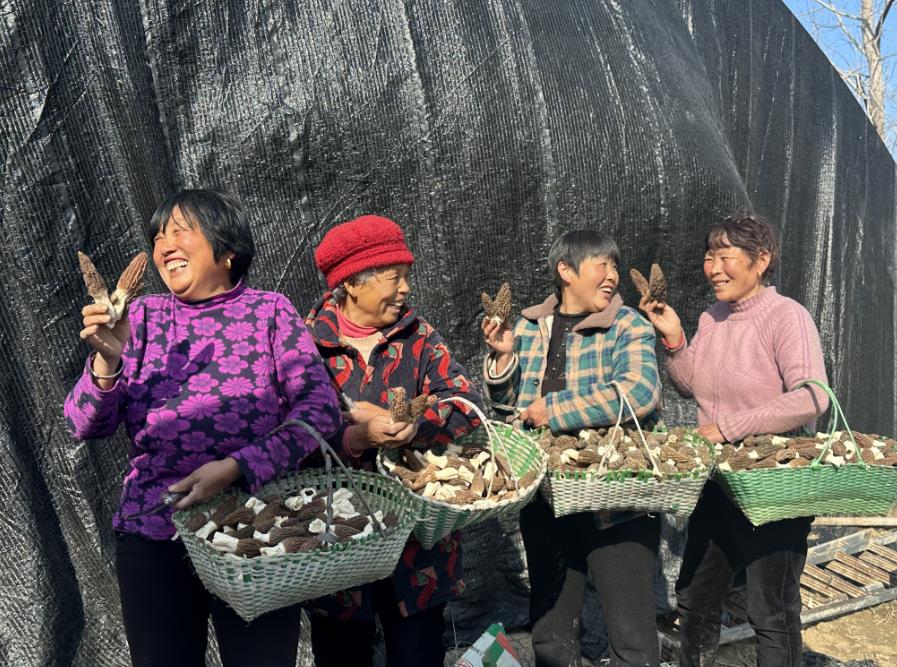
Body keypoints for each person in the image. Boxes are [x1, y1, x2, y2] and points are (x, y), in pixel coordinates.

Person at [63, 189, 342, 666]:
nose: (164, 245)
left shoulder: (270, 312)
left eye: (180, 231)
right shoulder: (139, 318)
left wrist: (238, 466)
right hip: (156, 528)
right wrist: (107, 361)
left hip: (258, 530)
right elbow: (83, 424)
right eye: (158, 237)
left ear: (227, 248)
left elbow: (320, 410)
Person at [639, 212, 829, 666]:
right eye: (709, 257)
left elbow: (813, 397)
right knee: (695, 595)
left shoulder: (787, 317)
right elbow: (691, 385)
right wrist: (675, 341)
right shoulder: (713, 317)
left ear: (761, 260)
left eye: (726, 257)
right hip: (720, 481)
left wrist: (729, 427)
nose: (714, 269)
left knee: (771, 608)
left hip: (773, 483)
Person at [304, 214, 484, 667]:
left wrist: (418, 423)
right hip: (337, 539)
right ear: (351, 283)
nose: (406, 288)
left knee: (417, 652)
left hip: (417, 544)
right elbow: (289, 429)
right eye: (394, 277)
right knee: (342, 654)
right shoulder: (306, 345)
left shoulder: (418, 338)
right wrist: (352, 437)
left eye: (407, 275)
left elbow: (465, 400)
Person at [483, 229, 662, 667]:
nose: (613, 275)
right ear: (566, 270)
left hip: (616, 501)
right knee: (551, 630)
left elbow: (640, 392)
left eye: (615, 266)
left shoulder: (627, 325)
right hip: (546, 500)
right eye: (602, 265)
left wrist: (556, 409)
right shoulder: (528, 327)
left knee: (632, 638)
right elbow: (509, 409)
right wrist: (504, 359)